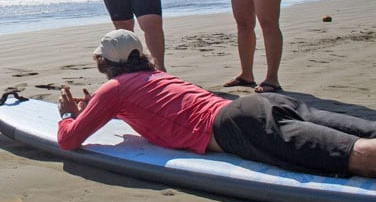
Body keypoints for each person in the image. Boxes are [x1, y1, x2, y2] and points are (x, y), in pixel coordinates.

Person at [57, 30, 376, 177]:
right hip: (263, 104)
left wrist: (69, 116)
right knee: (365, 133)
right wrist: (93, 111)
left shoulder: (114, 89)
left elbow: (70, 140)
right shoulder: (156, 76)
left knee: (356, 156)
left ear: (104, 64)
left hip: (240, 126)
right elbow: (152, 110)